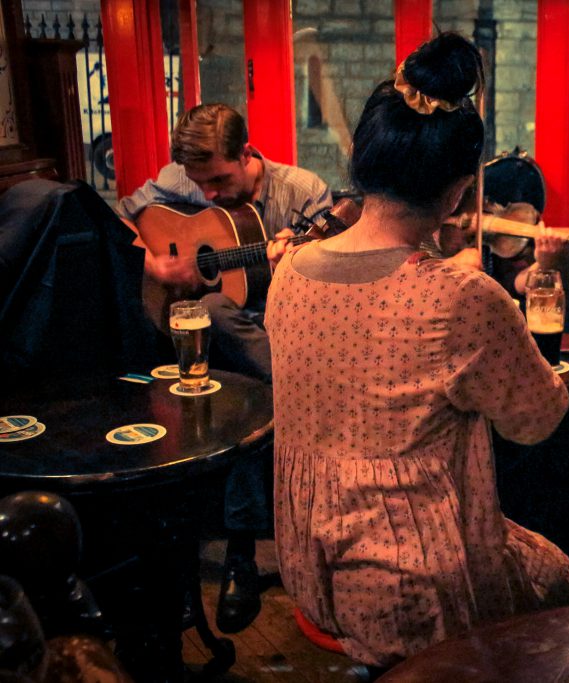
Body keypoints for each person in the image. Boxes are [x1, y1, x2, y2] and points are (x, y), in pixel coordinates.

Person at [265, 33, 569, 669]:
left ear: (364, 159)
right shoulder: (460, 294)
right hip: (414, 582)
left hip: (303, 559)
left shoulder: (289, 268)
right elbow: (535, 420)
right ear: (461, 189)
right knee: (558, 575)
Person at [117, 103, 333, 634]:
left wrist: (299, 265)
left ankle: (239, 555)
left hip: (290, 336)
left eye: (218, 180)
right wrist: (157, 263)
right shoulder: (179, 180)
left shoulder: (302, 192)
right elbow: (121, 221)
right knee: (221, 336)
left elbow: (339, 271)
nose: (207, 194)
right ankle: (236, 554)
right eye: (199, 184)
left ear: (248, 153)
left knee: (231, 364)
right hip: (228, 350)